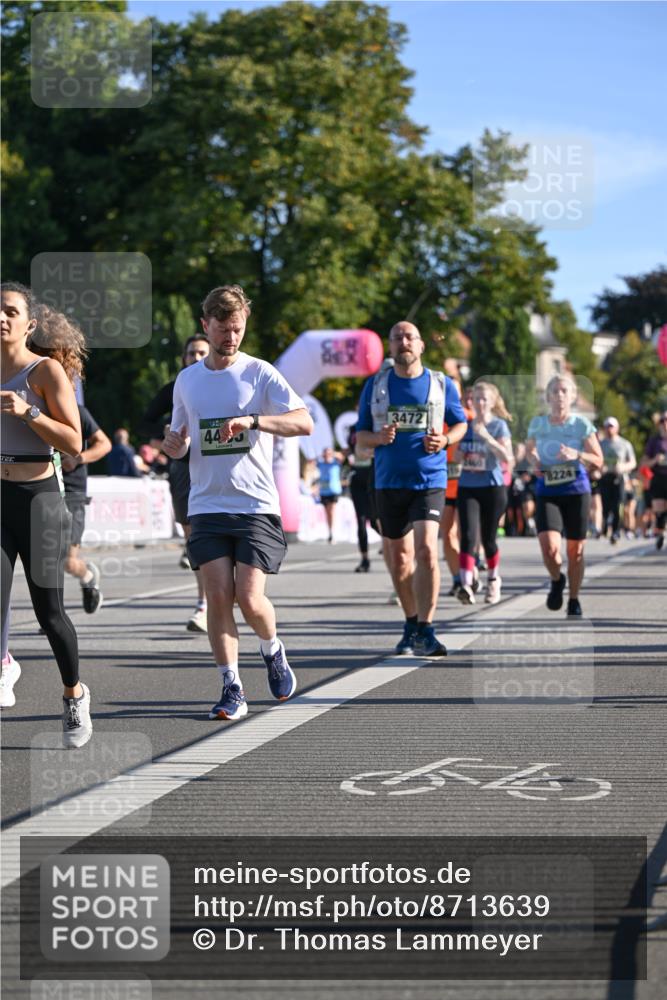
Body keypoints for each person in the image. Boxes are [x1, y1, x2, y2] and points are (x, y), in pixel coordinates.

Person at [162, 284, 313, 720]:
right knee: (218, 596)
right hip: (206, 505)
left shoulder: (260, 373)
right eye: (224, 329)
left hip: (255, 505)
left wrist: (254, 420)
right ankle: (232, 687)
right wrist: (173, 444)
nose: (232, 338)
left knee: (249, 599)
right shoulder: (187, 380)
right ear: (205, 325)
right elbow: (181, 442)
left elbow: (303, 421)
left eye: (239, 329)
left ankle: (272, 648)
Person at [0, 282, 92, 747]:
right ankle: (4, 664)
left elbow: (75, 444)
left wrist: (28, 413)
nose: (1, 317)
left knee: (49, 613)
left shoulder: (45, 371)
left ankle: (74, 693)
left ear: (29, 324)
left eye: (10, 311)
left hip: (40, 501)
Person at [356, 320, 467, 657]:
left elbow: (461, 423)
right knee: (400, 559)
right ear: (390, 347)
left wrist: (446, 438)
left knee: (426, 551)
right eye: (397, 337)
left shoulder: (440, 383)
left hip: (429, 480)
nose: (403, 342)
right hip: (388, 482)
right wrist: (378, 438)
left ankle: (427, 628)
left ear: (420, 346)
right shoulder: (375, 385)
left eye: (410, 337)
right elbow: (360, 437)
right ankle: (410, 622)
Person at [142, 334, 210, 631]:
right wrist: (165, 430)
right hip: (183, 469)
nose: (195, 358)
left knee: (216, 538)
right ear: (183, 358)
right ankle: (204, 604)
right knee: (194, 539)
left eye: (201, 353)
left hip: (216, 468)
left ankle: (221, 594)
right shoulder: (174, 388)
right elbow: (144, 422)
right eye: (191, 353)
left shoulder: (225, 383)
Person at [525, 375, 603, 617]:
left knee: (575, 551)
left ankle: (574, 599)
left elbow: (598, 460)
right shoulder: (538, 423)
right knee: (550, 549)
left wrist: (576, 454)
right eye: (555, 391)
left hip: (576, 491)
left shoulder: (581, 425)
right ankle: (557, 578)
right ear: (548, 397)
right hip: (547, 490)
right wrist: (535, 461)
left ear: (572, 396)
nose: (559, 395)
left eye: (564, 391)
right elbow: (529, 450)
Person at [455, 381, 513, 605]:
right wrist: (462, 451)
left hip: (492, 486)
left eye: (483, 399)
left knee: (489, 539)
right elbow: (458, 457)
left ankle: (493, 579)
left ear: (492, 402)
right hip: (468, 485)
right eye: (475, 399)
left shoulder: (499, 426)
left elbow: (506, 457)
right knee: (468, 536)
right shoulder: (466, 426)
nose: (478, 403)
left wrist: (486, 438)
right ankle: (466, 585)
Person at [61, 404, 112, 613]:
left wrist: (78, 458)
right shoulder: (31, 410)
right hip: (41, 492)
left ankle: (87, 577)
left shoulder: (76, 411)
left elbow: (104, 444)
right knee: (42, 559)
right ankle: (52, 615)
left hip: (72, 492)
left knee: (66, 561)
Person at [599, 416, 636, 544]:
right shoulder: (600, 444)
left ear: (617, 428)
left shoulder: (624, 444)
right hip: (604, 478)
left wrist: (623, 467)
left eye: (612, 426)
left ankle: (615, 531)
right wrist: (599, 467)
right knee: (605, 506)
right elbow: (593, 460)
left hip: (619, 479)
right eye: (607, 426)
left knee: (617, 506)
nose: (609, 429)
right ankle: (604, 527)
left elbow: (633, 462)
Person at [642, 411, 667, 550]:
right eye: (662, 420)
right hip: (658, 477)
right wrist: (655, 460)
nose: (665, 423)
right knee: (659, 509)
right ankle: (660, 533)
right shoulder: (654, 440)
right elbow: (645, 462)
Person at [316, 446, 343, 543]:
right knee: (327, 513)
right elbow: (311, 460)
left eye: (328, 454)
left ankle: (333, 533)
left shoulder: (335, 463)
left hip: (334, 491)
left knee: (332, 511)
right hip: (324, 491)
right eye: (325, 453)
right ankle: (330, 532)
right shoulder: (320, 463)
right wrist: (322, 454)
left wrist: (331, 453)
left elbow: (341, 456)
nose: (327, 455)